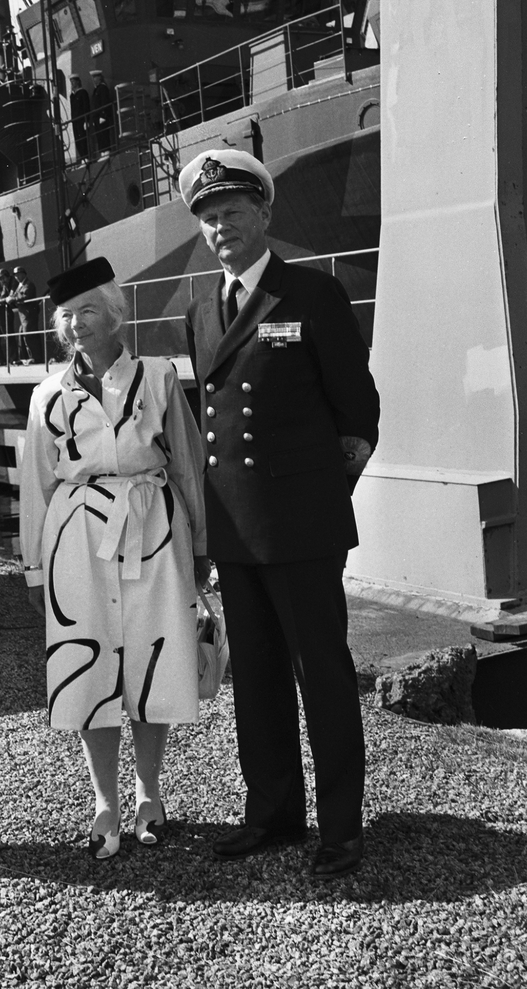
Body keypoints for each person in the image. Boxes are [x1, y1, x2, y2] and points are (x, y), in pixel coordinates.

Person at [179, 150, 380, 881]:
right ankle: (272, 814)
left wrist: (322, 499)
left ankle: (341, 828)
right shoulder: (200, 312)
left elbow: (358, 415)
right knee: (258, 681)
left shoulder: (312, 294)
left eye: (233, 211)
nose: (221, 227)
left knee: (320, 679)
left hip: (301, 527)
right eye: (209, 217)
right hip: (235, 529)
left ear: (264, 213)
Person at [19, 257, 210, 859]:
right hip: (76, 536)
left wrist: (202, 545)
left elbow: (188, 464)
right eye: (67, 316)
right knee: (88, 666)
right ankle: (105, 801)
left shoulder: (158, 377)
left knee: (155, 659)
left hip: (154, 526)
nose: (76, 325)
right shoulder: (47, 394)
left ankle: (150, 792)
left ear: (115, 313)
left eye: (88, 311)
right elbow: (36, 485)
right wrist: (34, 569)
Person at [8, 265, 42, 364]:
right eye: (15, 275)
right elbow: (15, 295)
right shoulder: (20, 285)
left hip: (29, 315)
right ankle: (27, 357)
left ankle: (35, 358)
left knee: (29, 336)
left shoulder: (28, 284)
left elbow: (25, 295)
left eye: (18, 274)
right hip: (23, 316)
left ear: (23, 274)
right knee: (23, 335)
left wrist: (12, 299)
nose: (17, 277)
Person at [89, 69, 115, 157]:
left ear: (99, 78)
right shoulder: (96, 90)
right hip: (97, 117)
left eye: (95, 77)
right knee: (99, 135)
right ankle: (102, 152)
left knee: (104, 134)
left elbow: (105, 101)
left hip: (101, 116)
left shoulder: (103, 88)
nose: (93, 80)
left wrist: (103, 115)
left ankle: (106, 151)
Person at [68, 74, 91, 163]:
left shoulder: (82, 93)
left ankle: (86, 157)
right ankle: (83, 158)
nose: (72, 84)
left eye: (73, 81)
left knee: (83, 138)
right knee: (77, 139)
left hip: (82, 119)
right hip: (75, 121)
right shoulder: (72, 96)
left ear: (78, 82)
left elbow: (86, 107)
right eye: (71, 82)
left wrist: (86, 120)